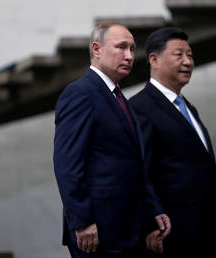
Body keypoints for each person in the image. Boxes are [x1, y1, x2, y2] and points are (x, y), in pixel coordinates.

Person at [53, 23, 170, 258]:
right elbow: (67, 164)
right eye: (121, 47)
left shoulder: (118, 98)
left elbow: (133, 163)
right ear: (96, 49)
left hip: (129, 229)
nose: (129, 56)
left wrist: (152, 210)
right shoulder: (80, 93)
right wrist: (82, 221)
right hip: (97, 232)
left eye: (132, 49)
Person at [129, 27, 216, 258]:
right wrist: (150, 224)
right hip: (173, 238)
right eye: (179, 55)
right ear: (154, 59)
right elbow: (137, 173)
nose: (188, 62)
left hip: (208, 235)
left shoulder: (188, 108)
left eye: (190, 55)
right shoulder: (139, 109)